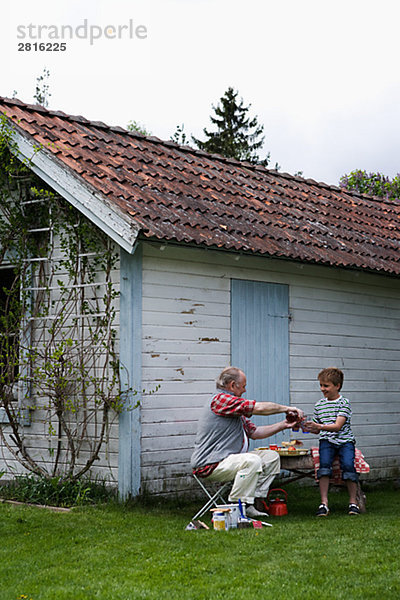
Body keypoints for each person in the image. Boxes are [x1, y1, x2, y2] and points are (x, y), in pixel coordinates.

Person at [190, 366, 303, 519]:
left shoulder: (233, 408)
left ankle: (252, 502)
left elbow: (254, 433)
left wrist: (284, 424)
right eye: (243, 386)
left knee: (271, 457)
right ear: (232, 385)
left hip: (229, 459)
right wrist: (286, 408)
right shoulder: (221, 400)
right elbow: (259, 408)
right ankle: (237, 509)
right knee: (252, 460)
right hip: (210, 463)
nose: (244, 390)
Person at [304, 367, 360, 516]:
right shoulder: (319, 405)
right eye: (321, 385)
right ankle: (324, 504)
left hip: (345, 441)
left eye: (326, 386)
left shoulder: (344, 403)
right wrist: (305, 426)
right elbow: (317, 429)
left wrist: (319, 426)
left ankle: (353, 503)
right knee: (324, 468)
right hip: (327, 441)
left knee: (348, 465)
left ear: (337, 386)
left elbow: (337, 426)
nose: (323, 389)